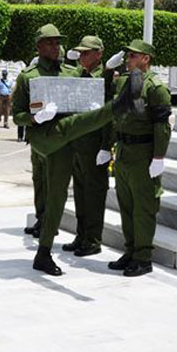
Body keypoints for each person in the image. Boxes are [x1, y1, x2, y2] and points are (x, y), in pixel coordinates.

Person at [12, 24, 144, 276]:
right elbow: (17, 115)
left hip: (67, 141)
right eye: (50, 42)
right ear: (38, 46)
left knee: (58, 197)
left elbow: (94, 91)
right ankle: (121, 105)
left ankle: (43, 252)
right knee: (70, 126)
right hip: (46, 136)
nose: (56, 46)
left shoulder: (71, 72)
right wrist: (34, 118)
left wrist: (107, 71)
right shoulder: (28, 77)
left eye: (58, 42)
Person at [108, 40, 171, 277]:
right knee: (126, 206)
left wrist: (158, 156)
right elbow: (116, 117)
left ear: (145, 58)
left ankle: (143, 258)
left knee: (143, 208)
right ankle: (131, 251)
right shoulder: (124, 82)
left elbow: (161, 125)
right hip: (124, 152)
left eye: (133, 56)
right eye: (128, 56)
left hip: (144, 154)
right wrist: (109, 147)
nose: (128, 59)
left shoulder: (155, 88)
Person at [65, 36, 112, 257]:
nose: (82, 56)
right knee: (81, 194)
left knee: (94, 195)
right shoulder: (79, 75)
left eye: (86, 53)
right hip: (79, 143)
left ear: (98, 54)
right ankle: (81, 235)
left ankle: (92, 240)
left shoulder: (107, 77)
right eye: (80, 53)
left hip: (95, 145)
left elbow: (110, 115)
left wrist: (106, 146)